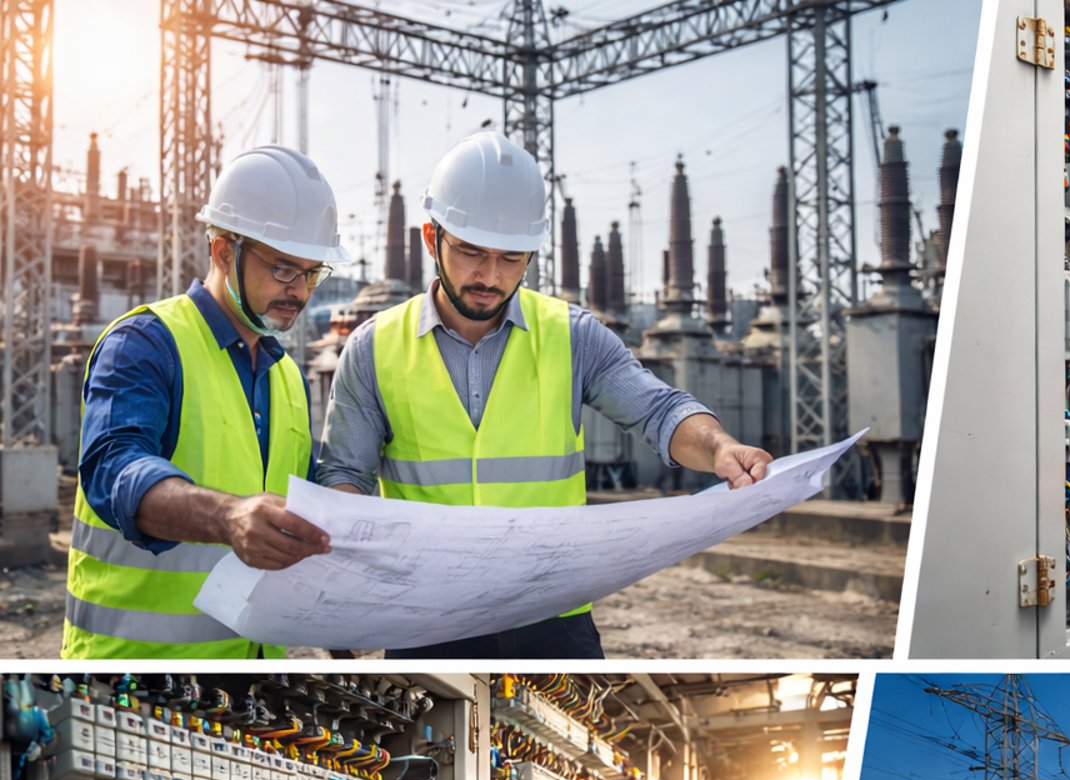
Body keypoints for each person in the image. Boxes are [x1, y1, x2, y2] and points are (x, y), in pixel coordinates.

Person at [317, 130, 772, 660]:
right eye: (470, 252)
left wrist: (718, 447)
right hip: (431, 621)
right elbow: (345, 476)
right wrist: (343, 587)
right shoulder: (374, 349)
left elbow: (658, 410)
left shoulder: (572, 335)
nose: (490, 276)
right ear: (430, 238)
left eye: (511, 258)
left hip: (552, 618)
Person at [64, 145, 347, 658]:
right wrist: (227, 517)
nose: (300, 292)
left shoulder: (285, 375)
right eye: (283, 269)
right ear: (222, 252)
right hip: (134, 670)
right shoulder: (146, 343)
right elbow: (112, 468)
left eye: (312, 272)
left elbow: (297, 497)